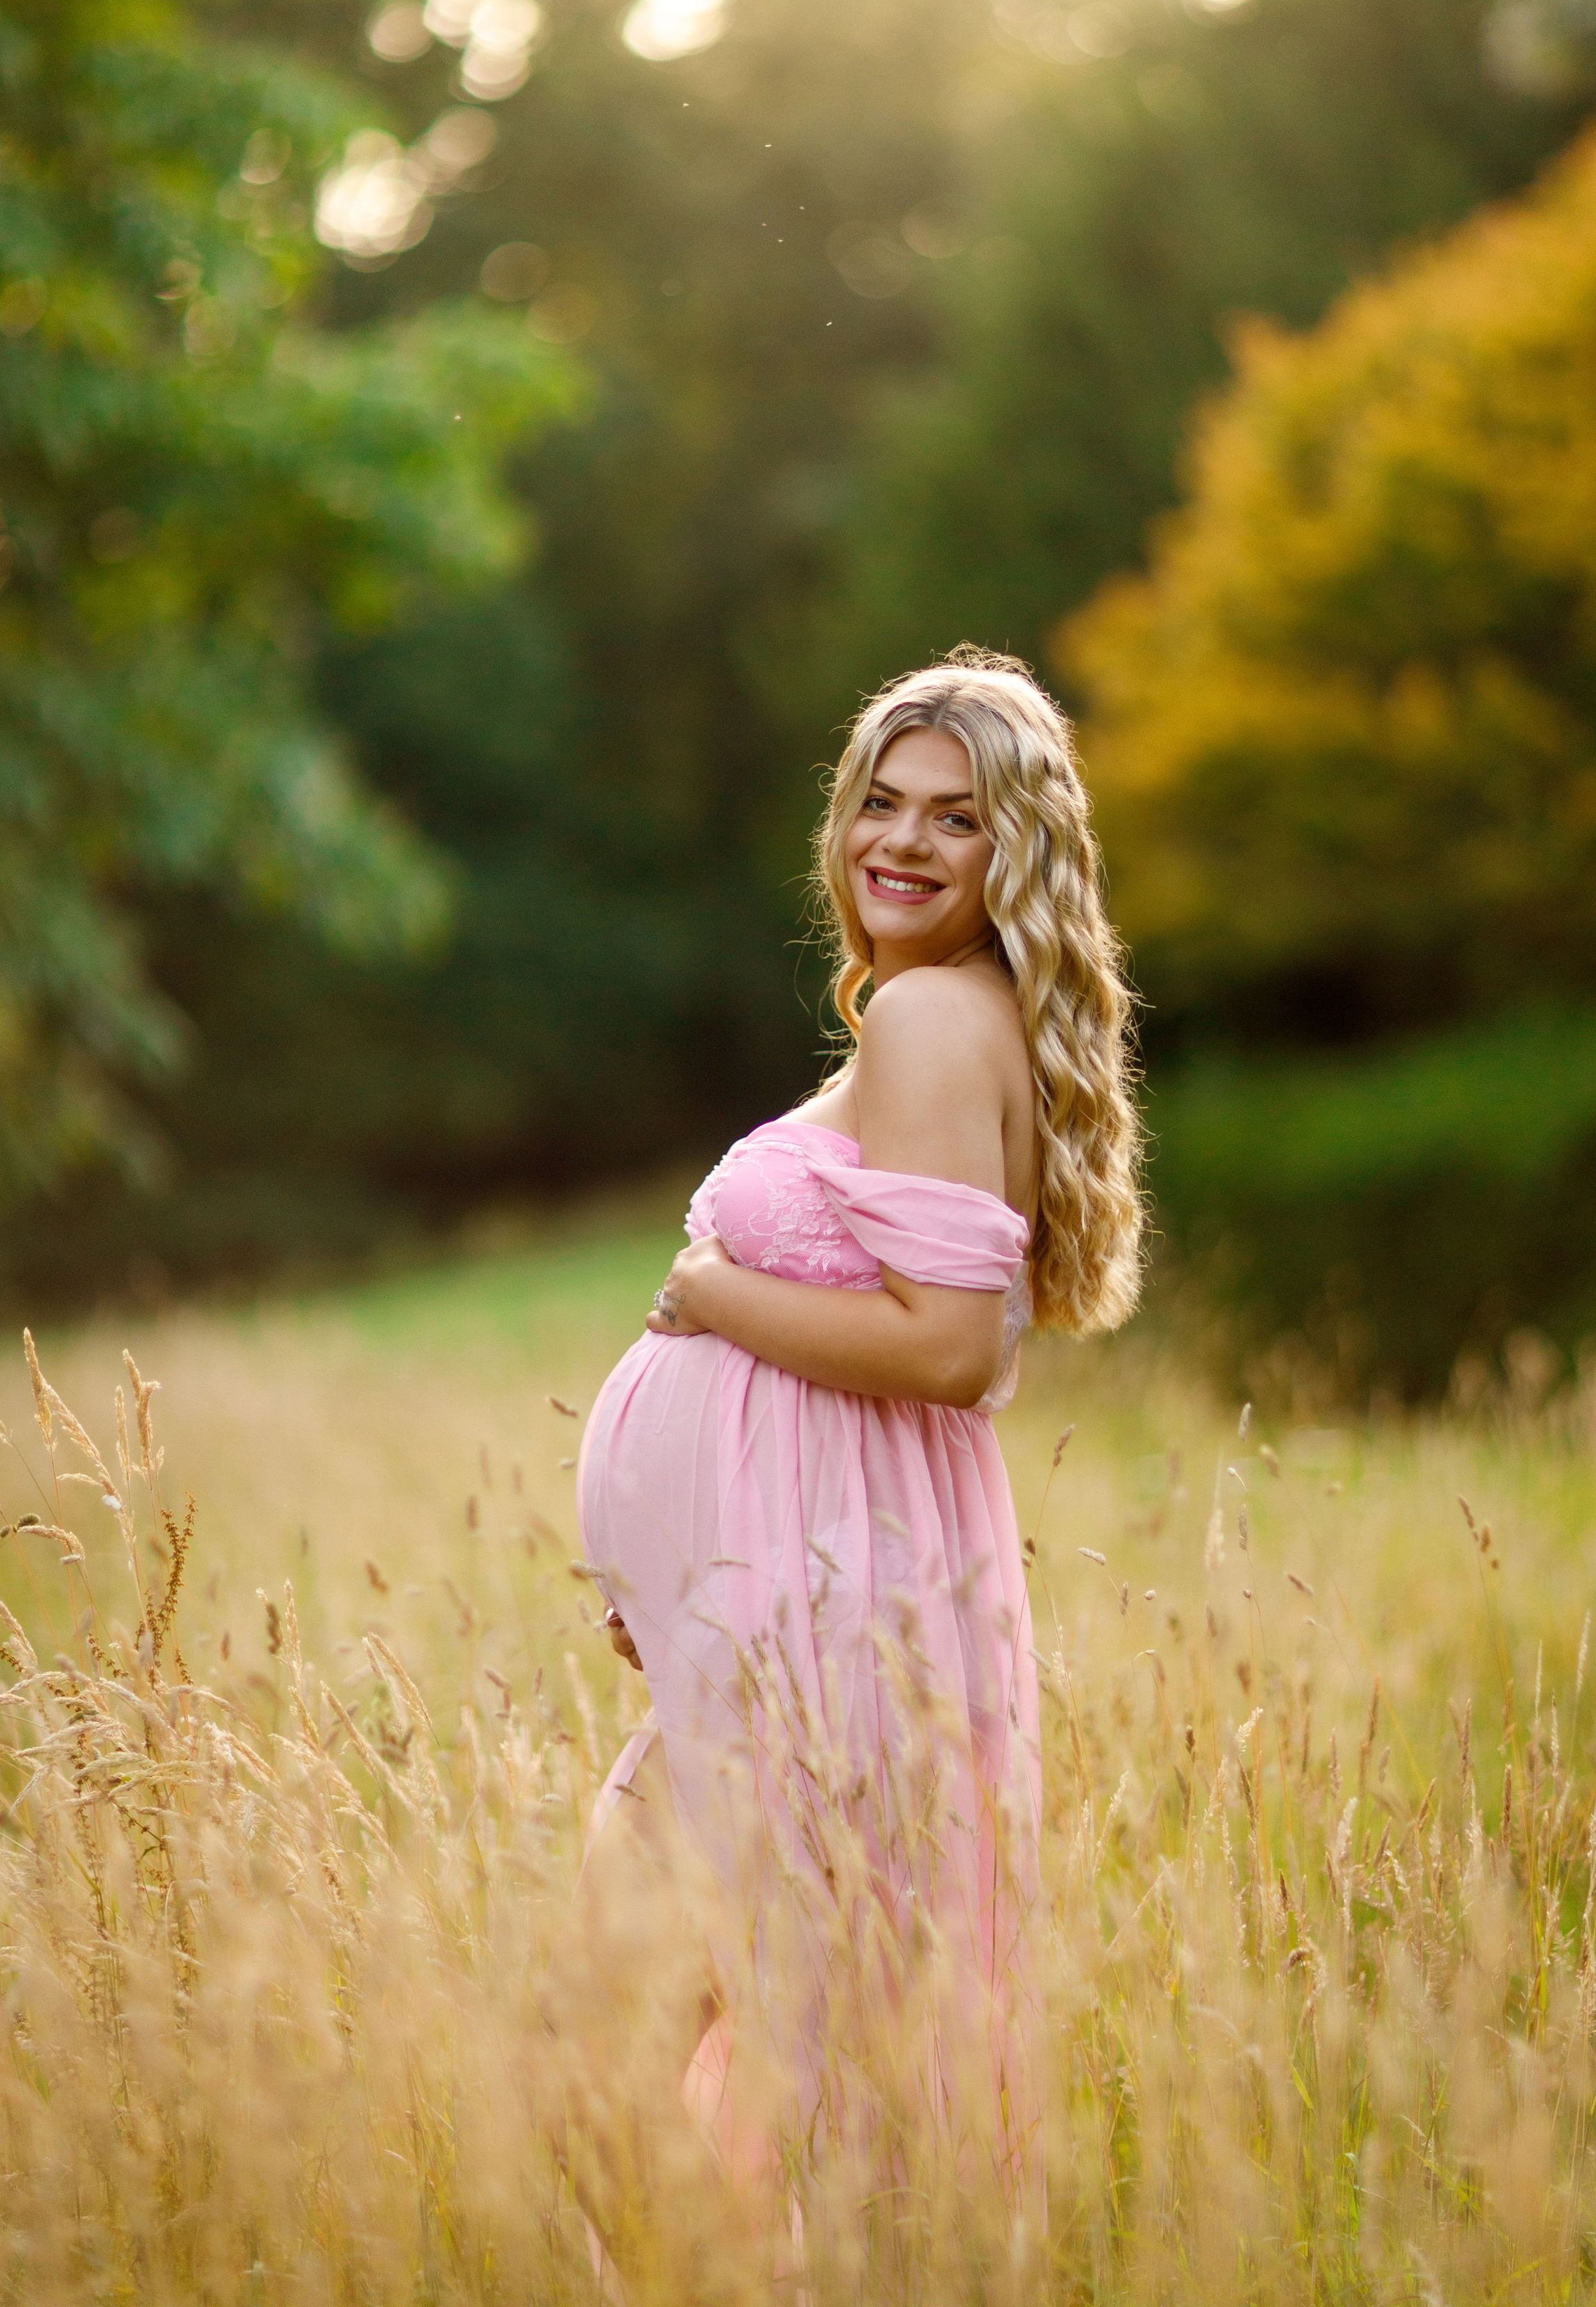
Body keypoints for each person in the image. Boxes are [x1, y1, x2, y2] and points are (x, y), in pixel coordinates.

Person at [567, 647, 1143, 2258]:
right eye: (878, 802)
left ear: (1009, 851)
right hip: (800, 1602)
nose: (901, 839)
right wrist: (680, 1580)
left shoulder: (925, 1022)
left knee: (630, 2043)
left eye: (953, 818)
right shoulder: (945, 1021)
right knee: (749, 2030)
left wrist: (704, 1291)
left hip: (825, 1622)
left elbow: (950, 1351)